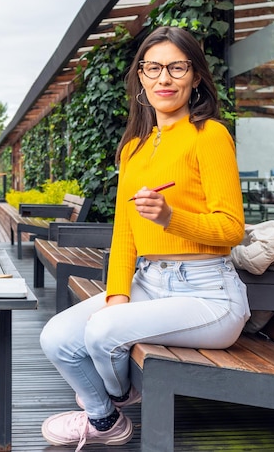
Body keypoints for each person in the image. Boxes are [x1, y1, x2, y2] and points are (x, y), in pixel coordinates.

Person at [40, 26, 250, 451]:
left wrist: (172, 218)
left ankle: (114, 399)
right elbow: (125, 233)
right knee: (57, 337)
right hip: (148, 283)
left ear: (195, 77)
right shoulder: (134, 147)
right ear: (139, 77)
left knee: (102, 333)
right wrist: (117, 295)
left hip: (210, 296)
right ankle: (106, 421)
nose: (163, 79)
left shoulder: (209, 135)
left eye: (176, 67)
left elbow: (231, 230)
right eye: (152, 68)